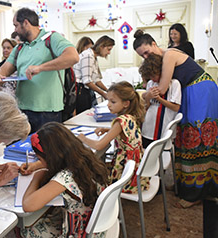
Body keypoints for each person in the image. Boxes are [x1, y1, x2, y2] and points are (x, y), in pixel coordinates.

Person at [133, 29, 218, 208]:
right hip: (190, 92)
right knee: (183, 138)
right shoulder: (162, 59)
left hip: (200, 91)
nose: (146, 56)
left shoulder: (169, 54)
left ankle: (199, 192)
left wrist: (150, 93)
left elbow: (162, 88)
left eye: (147, 51)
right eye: (143, 56)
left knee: (197, 138)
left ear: (154, 44)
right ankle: (185, 185)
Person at [0, 8, 79, 133]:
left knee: (46, 150)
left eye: (16, 25)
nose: (15, 30)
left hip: (48, 112)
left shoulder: (52, 38)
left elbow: (73, 57)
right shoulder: (20, 48)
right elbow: (3, 70)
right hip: (22, 110)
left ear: (26, 23)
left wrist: (40, 68)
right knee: (21, 150)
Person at [19, 122, 108, 237]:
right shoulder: (85, 157)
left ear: (51, 158)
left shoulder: (64, 178)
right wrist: (37, 165)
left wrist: (36, 178)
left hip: (80, 233)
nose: (41, 162)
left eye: (40, 159)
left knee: (26, 231)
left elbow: (28, 205)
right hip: (97, 225)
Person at [78, 81, 149, 194]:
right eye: (108, 101)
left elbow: (99, 145)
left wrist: (82, 138)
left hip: (126, 173)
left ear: (126, 104)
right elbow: (126, 133)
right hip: (136, 169)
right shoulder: (131, 116)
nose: (108, 105)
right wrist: (108, 130)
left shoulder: (120, 122)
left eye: (113, 102)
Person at [139, 54, 181, 148]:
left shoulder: (174, 83)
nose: (153, 78)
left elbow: (176, 107)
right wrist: (148, 97)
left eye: (154, 75)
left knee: (160, 152)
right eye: (150, 76)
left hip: (164, 128)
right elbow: (147, 106)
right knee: (146, 150)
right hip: (148, 127)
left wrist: (159, 99)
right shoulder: (151, 83)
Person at [73, 35, 114, 114]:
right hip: (80, 91)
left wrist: (108, 91)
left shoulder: (93, 56)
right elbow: (87, 81)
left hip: (86, 90)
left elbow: (96, 79)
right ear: (101, 46)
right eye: (108, 49)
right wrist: (103, 94)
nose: (109, 53)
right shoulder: (88, 55)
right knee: (84, 116)